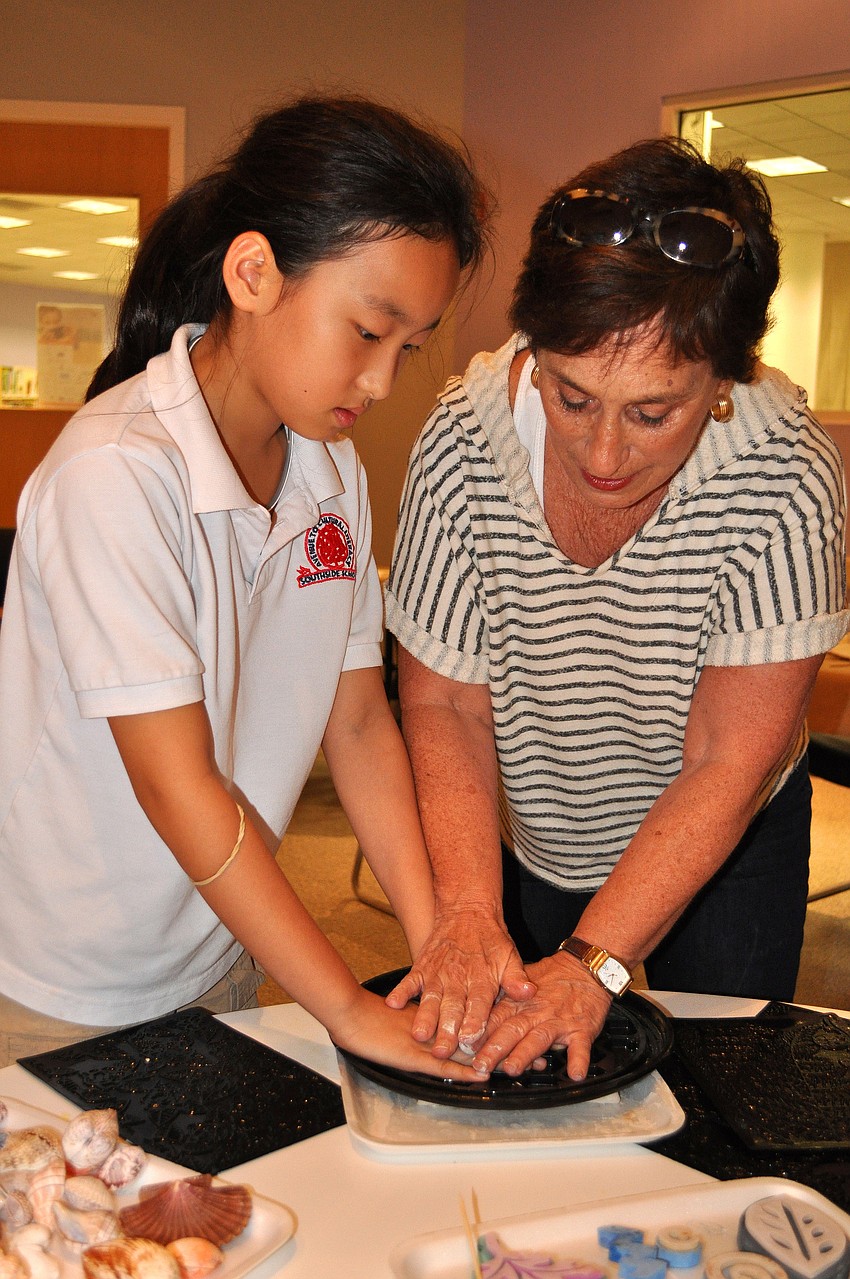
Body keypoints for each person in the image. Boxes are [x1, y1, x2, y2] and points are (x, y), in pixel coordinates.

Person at [0, 93, 494, 1079]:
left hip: (223, 949)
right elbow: (175, 784)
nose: (384, 381)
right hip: (64, 990)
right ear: (254, 271)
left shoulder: (331, 474)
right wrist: (347, 1006)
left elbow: (358, 724)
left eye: (409, 346)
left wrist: (440, 933)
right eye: (366, 332)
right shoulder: (118, 472)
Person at [384, 137, 849, 1082]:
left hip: (727, 831)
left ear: (724, 380)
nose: (602, 454)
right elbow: (443, 703)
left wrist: (599, 961)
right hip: (543, 811)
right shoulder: (462, 440)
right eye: (571, 394)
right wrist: (470, 905)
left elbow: (730, 758)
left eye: (652, 413)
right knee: (538, 1078)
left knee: (720, 1084)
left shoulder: (785, 478)